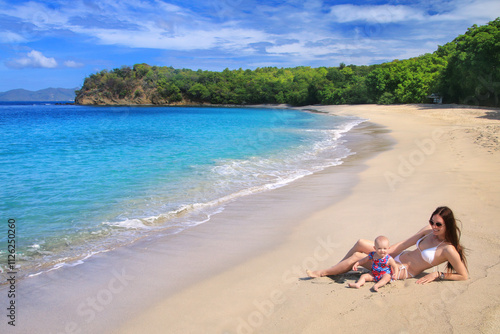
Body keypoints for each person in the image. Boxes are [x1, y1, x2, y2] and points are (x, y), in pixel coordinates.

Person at [306, 206, 468, 284]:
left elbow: (463, 275)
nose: (433, 226)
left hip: (400, 270)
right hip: (394, 257)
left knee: (358, 256)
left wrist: (437, 274)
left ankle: (322, 273)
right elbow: (406, 243)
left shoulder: (448, 249)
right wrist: (387, 251)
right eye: (431, 222)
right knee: (361, 242)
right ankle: (340, 267)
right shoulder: (428, 231)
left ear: (447, 224)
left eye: (438, 224)